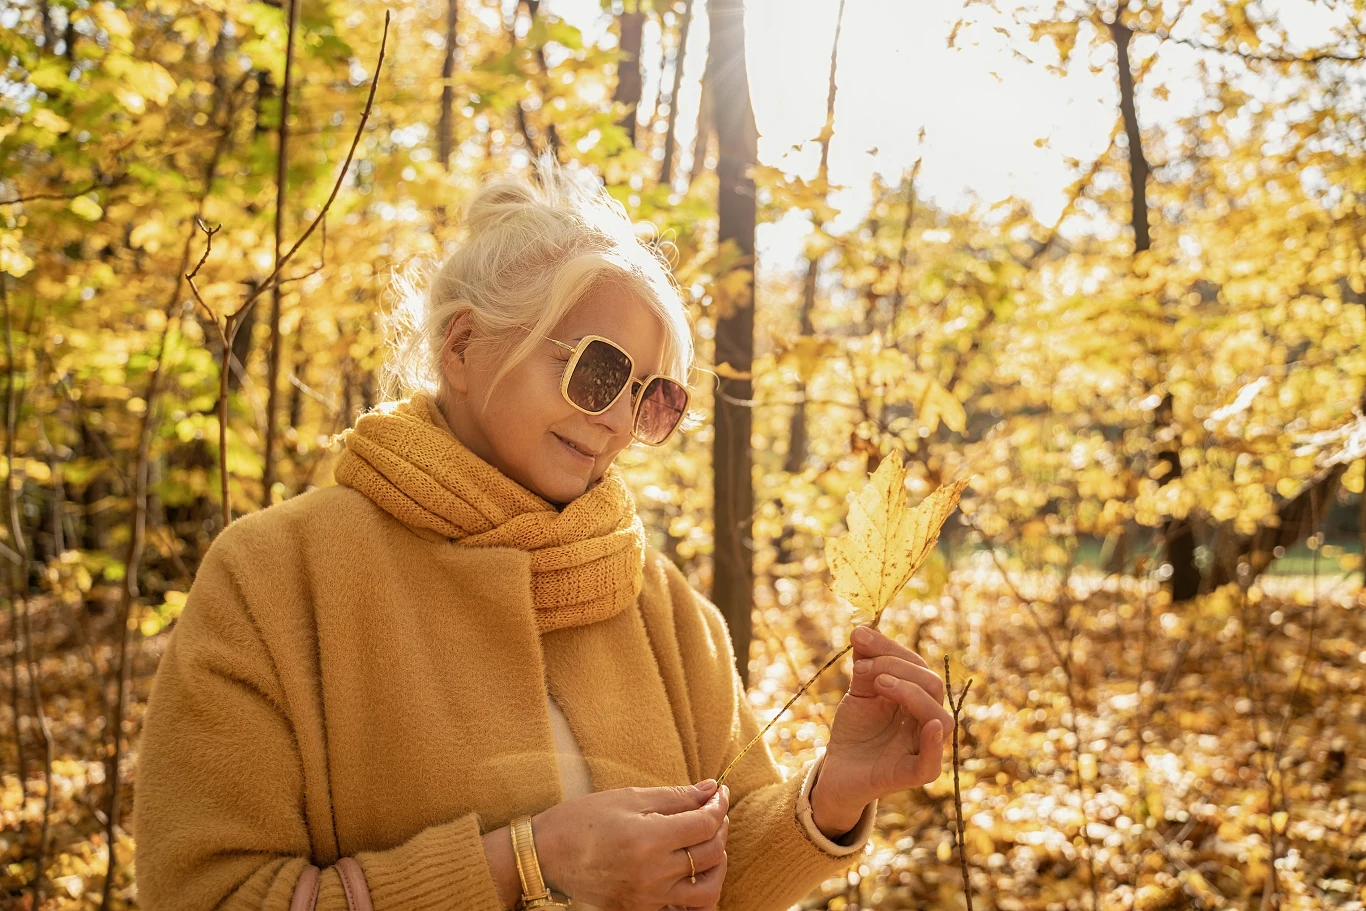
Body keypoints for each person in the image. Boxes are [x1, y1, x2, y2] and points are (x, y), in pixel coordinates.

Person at [131, 163, 956, 911]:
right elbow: (208, 894)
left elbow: (719, 875)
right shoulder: (274, 575)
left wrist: (830, 795)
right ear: (463, 346)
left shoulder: (661, 602)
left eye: (651, 396)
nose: (618, 422)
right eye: (597, 370)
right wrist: (530, 862)